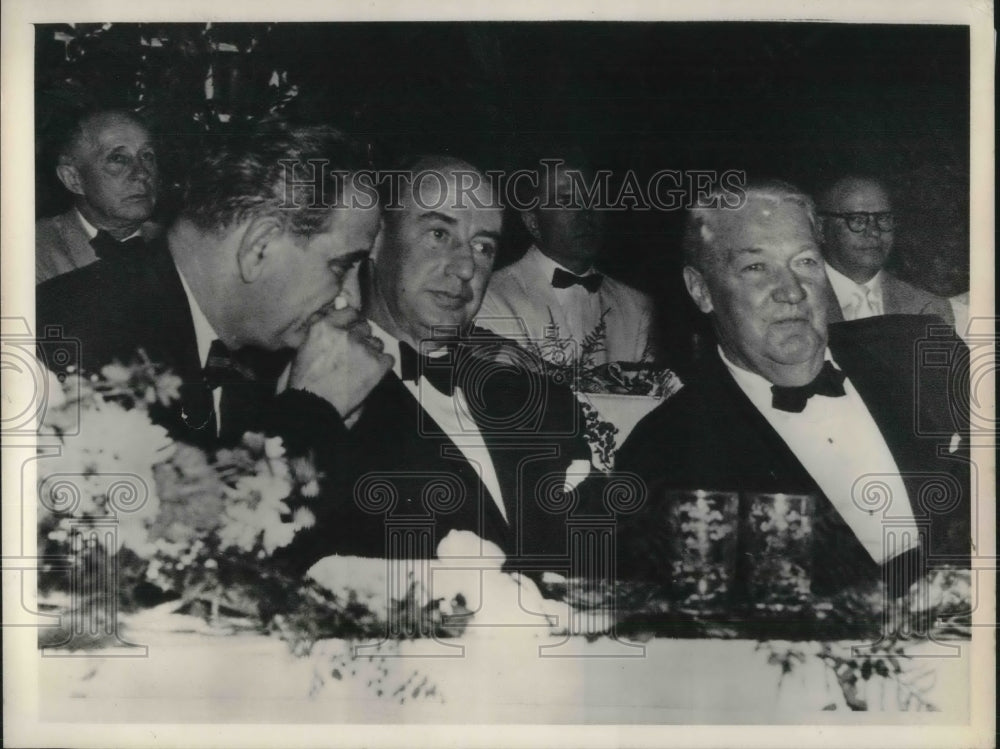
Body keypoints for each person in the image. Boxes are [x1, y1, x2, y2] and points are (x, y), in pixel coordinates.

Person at [615, 181, 969, 595]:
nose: (792, 291)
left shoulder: (922, 353)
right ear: (702, 290)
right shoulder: (665, 455)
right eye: (756, 267)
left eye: (805, 261)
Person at [280, 155, 603, 572]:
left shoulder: (541, 401)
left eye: (483, 246)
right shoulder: (309, 396)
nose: (467, 267)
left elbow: (600, 564)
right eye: (438, 233)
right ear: (375, 239)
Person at [36, 120, 392, 452]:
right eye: (342, 266)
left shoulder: (255, 355)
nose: (350, 299)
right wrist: (311, 416)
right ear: (258, 247)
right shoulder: (80, 345)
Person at [476, 153, 657, 366]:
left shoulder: (637, 307)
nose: (585, 213)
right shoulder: (489, 297)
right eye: (566, 201)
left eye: (593, 200)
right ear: (533, 222)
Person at [36, 109, 161, 283]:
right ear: (73, 179)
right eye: (118, 159)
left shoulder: (175, 242)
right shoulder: (32, 251)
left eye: (147, 155)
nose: (142, 173)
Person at [816, 175, 954, 325]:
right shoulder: (801, 301)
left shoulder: (928, 308)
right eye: (857, 220)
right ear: (821, 228)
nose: (874, 232)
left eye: (883, 218)